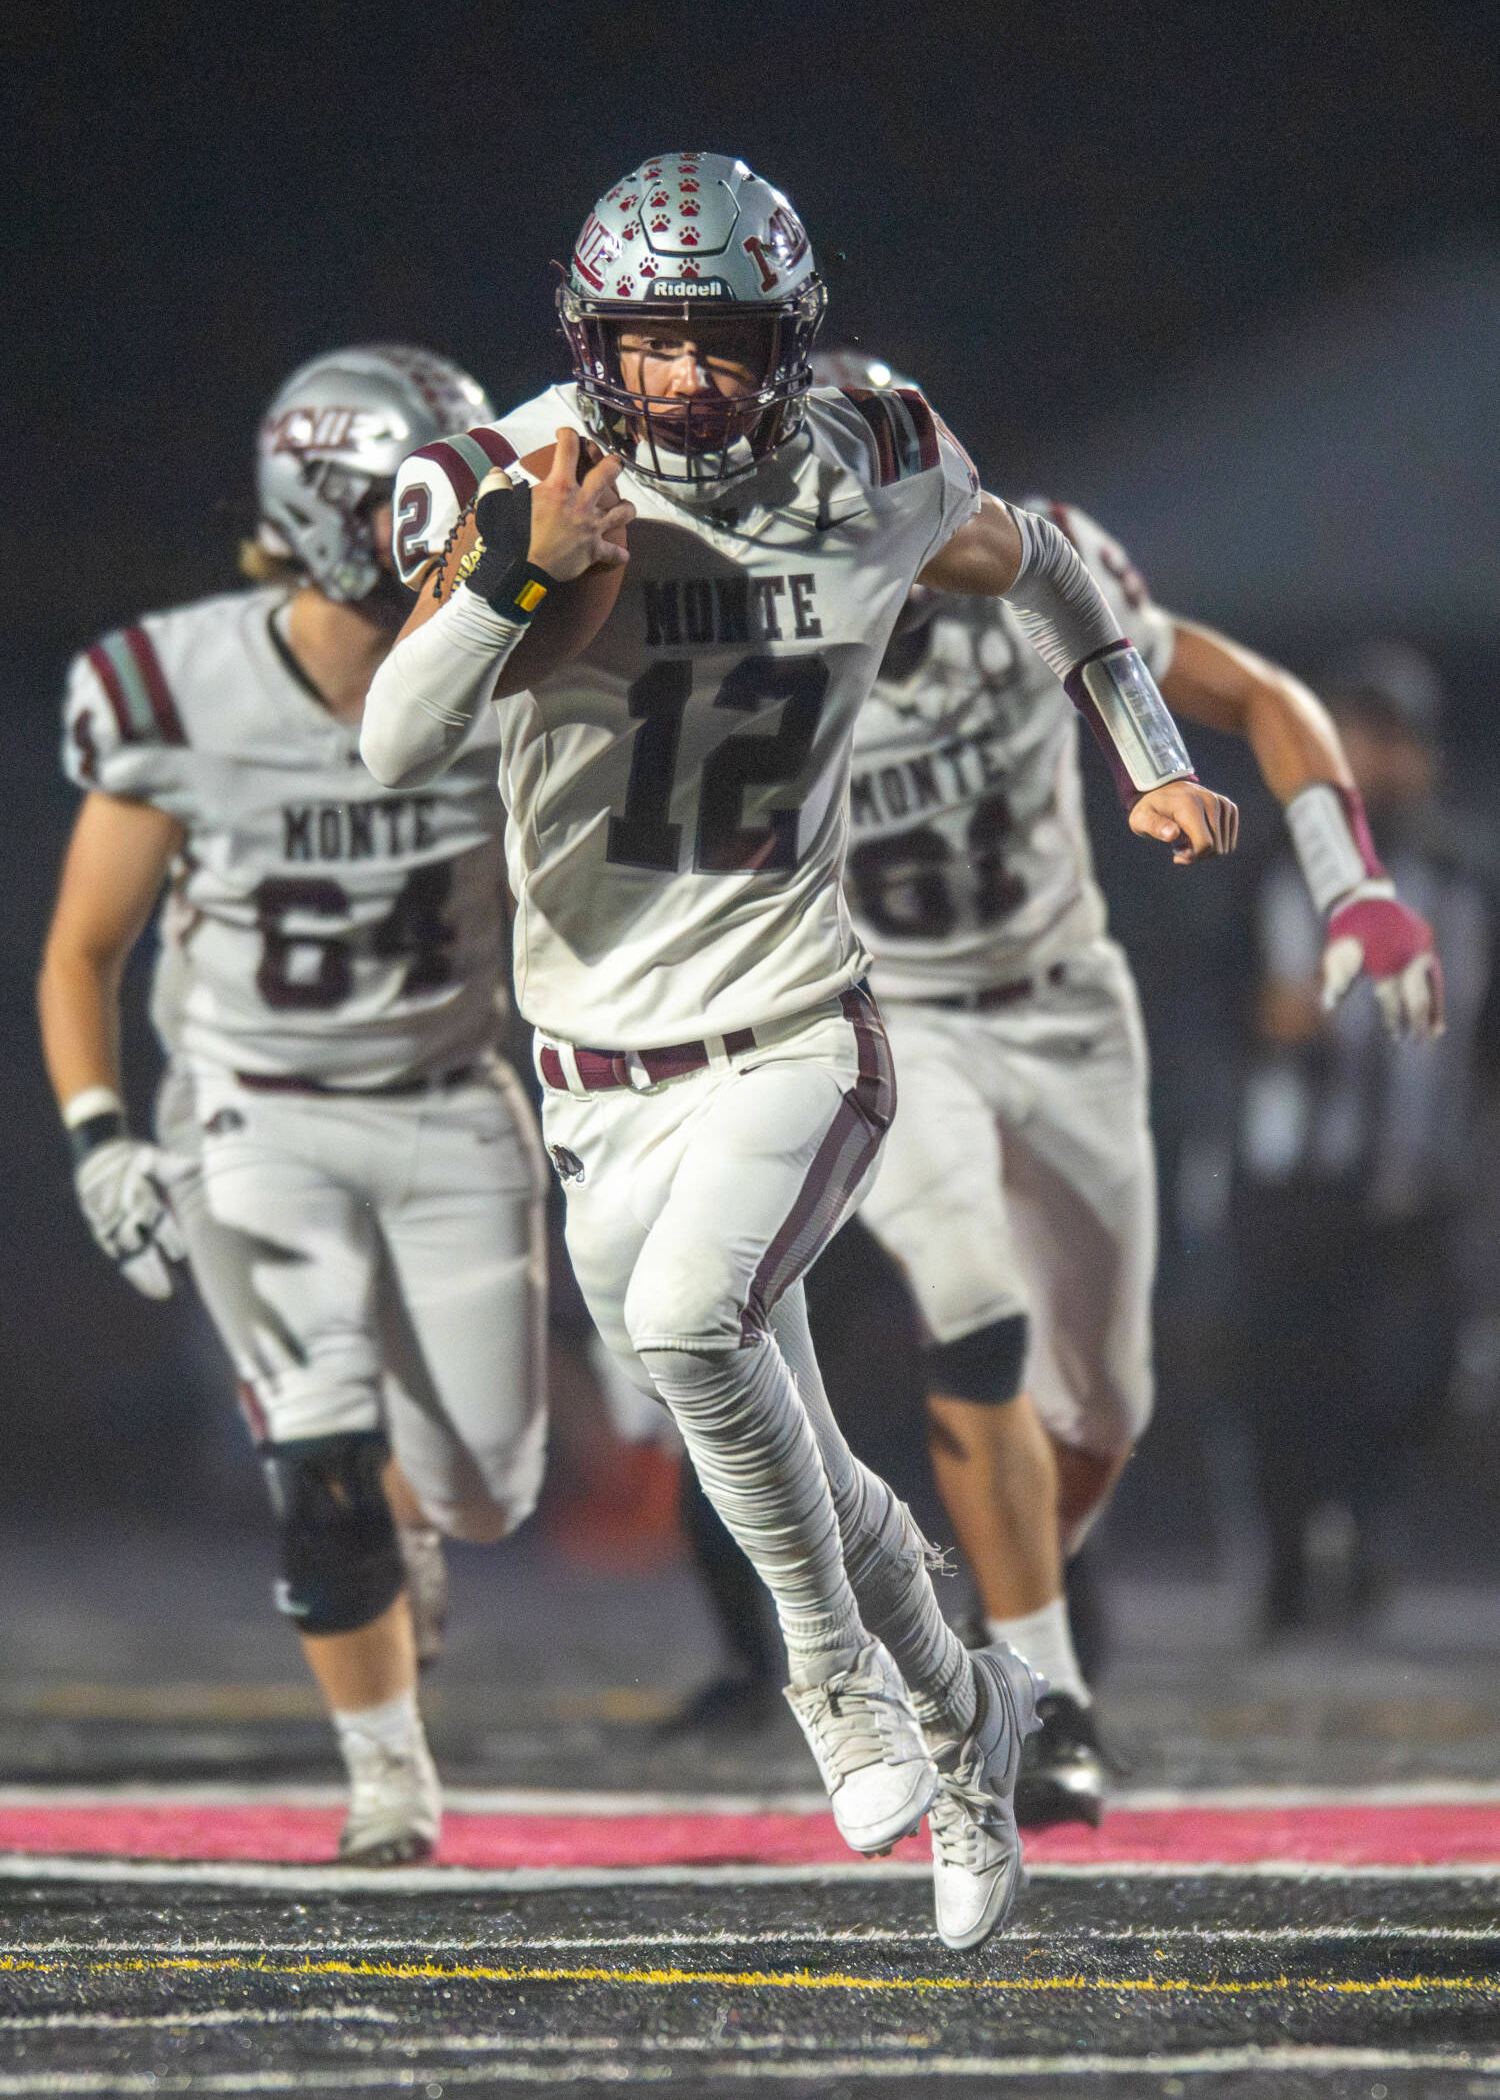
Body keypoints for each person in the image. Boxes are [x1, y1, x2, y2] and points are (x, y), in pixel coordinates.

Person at [357, 153, 1238, 1947]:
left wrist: (1145, 748)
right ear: (590, 339)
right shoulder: (514, 482)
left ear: (792, 340)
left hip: (796, 1027)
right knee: (797, 1445)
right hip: (593, 1073)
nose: (681, 378)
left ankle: (831, 1672)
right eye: (648, 342)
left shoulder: (877, 459)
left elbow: (1055, 569)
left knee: (696, 1326)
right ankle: (973, 1712)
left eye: (721, 340)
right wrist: (511, 587)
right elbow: (392, 744)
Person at [816, 355, 1443, 1823]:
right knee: (971, 1306)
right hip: (892, 1016)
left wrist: (1353, 886)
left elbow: (1267, 696)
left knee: (1104, 1409)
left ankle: (975, 1613)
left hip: (1066, 1012)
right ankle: (1047, 1697)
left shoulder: (1034, 567)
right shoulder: (738, 626)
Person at [38, 345, 549, 1865]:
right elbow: (85, 946)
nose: (472, 522)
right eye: (437, 495)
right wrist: (98, 1132)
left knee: (490, 1487)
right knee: (313, 1434)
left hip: (454, 1101)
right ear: (343, 511)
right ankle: (387, 1773)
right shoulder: (174, 683)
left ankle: (410, 1516)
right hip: (252, 1115)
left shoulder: (512, 660)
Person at [1232, 643, 1495, 1630]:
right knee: (1287, 1378)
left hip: (1417, 1178)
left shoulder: (1464, 883)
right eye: (1357, 736)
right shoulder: (1270, 867)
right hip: (1291, 1176)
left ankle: (1368, 1525)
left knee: (1415, 1375)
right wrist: (1267, 1014)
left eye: (1393, 742)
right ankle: (1296, 1558)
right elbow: (1213, 995)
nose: (1376, 763)